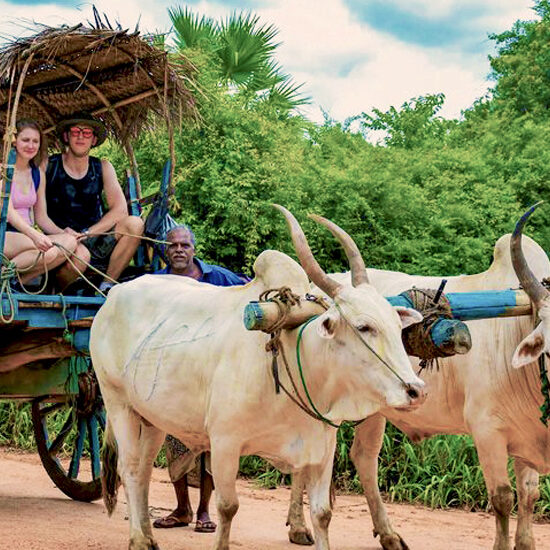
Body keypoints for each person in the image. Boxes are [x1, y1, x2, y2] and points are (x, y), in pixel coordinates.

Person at [153, 224, 247, 533]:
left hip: (213, 373)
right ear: (166, 252)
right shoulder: (158, 284)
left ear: (194, 249)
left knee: (211, 444)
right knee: (174, 439)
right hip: (175, 374)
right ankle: (182, 509)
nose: (179, 250)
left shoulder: (217, 278)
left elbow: (248, 288)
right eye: (173, 246)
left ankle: (205, 512)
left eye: (184, 245)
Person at [45, 112, 144, 293]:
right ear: (66, 136)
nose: (81, 136)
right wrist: (65, 237)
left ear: (94, 139)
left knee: (134, 224)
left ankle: (107, 286)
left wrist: (88, 233)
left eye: (87, 132)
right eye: (75, 131)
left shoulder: (103, 167)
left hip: (94, 238)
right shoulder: (49, 166)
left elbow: (120, 210)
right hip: (60, 240)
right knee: (79, 256)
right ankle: (56, 292)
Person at [2, 119, 77, 285]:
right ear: (14, 142)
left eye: (35, 141)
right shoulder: (3, 170)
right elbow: (8, 212)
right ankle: (3, 275)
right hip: (5, 232)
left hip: (26, 235)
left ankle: (16, 282)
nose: (31, 145)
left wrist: (63, 233)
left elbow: (41, 217)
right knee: (48, 252)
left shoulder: (37, 174)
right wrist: (34, 235)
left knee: (69, 243)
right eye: (25, 140)